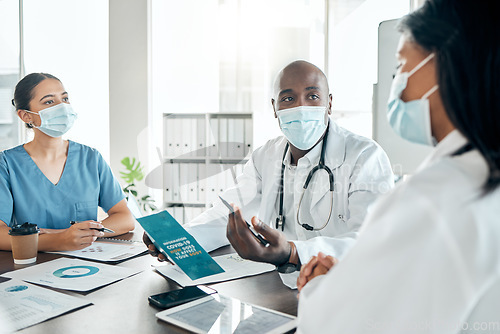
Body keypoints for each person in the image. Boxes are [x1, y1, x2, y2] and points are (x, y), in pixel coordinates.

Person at [297, 0, 500, 332]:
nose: (397, 81)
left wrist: (322, 289)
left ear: (445, 63)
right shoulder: (479, 180)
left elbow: (340, 325)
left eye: (403, 65)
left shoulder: (432, 199)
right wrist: (354, 286)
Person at [145, 60, 394, 287]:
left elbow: (370, 241)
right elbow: (230, 216)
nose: (301, 107)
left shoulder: (365, 156)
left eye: (312, 96)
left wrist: (292, 252)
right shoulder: (266, 155)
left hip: (346, 289)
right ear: (274, 108)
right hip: (281, 287)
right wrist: (177, 241)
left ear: (329, 102)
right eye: (288, 99)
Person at [0, 73, 136, 251]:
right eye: (49, 102)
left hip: (88, 263)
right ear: (26, 116)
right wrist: (60, 240)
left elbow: (124, 217)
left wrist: (84, 235)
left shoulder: (90, 158)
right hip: (32, 265)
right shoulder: (7, 165)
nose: (62, 107)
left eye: (65, 98)